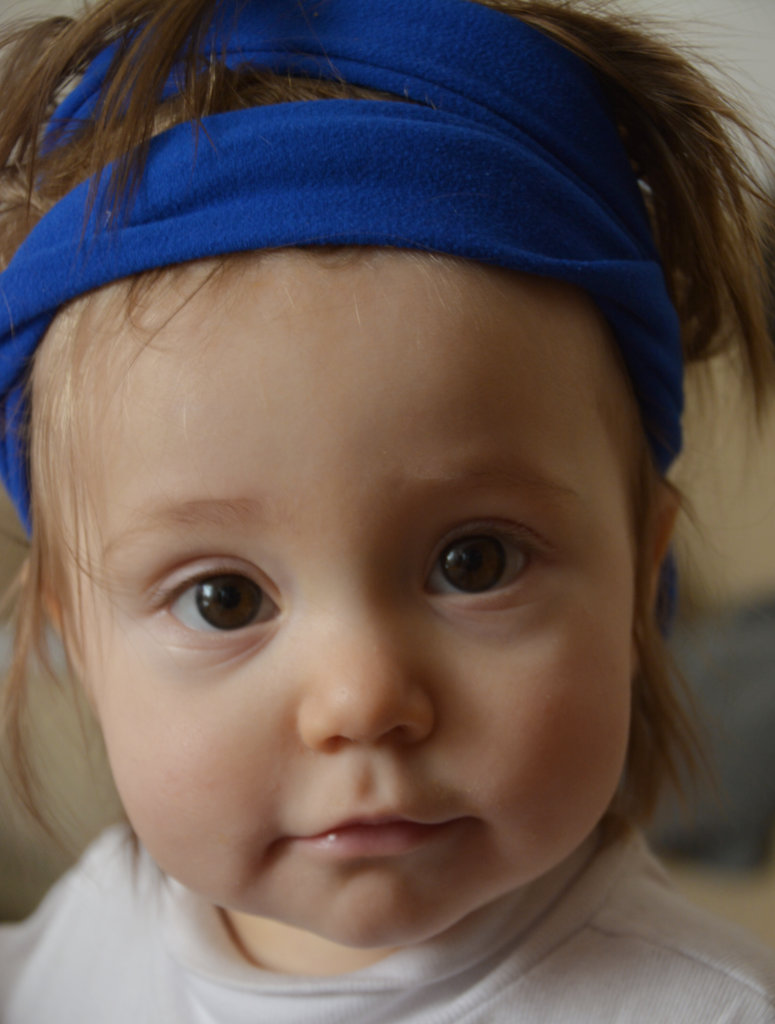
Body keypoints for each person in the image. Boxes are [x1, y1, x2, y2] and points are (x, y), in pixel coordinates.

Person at [0, 0, 773, 1019]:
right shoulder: (57, 969)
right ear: (73, 637)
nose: (361, 699)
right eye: (224, 598)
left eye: (475, 562)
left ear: (638, 571)